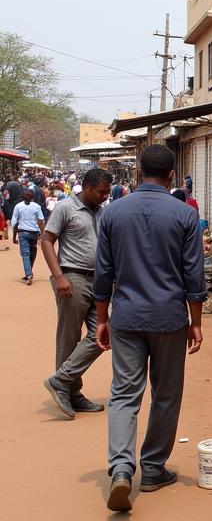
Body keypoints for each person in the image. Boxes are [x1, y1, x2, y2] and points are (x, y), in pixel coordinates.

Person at [94, 144, 206, 512]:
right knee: (166, 394)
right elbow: (193, 274)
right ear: (173, 174)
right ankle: (154, 469)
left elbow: (103, 273)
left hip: (126, 317)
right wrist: (197, 322)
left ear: (139, 170)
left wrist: (102, 318)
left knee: (124, 395)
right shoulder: (184, 214)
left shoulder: (112, 213)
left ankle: (122, 470)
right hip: (169, 319)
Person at [39, 168, 113, 419]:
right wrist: (59, 276)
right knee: (69, 338)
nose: (105, 196)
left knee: (101, 334)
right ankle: (71, 392)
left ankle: (62, 381)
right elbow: (46, 240)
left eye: (107, 192)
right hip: (72, 277)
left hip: (99, 281)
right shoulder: (65, 208)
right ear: (88, 188)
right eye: (102, 192)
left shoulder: (103, 212)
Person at [11, 186, 46, 284]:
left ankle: (29, 274)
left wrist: (14, 237)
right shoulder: (37, 206)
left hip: (23, 233)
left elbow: (14, 223)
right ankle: (29, 273)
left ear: (23, 197)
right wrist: (42, 233)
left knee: (25, 254)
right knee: (32, 253)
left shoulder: (18, 206)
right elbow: (41, 221)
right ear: (32, 197)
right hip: (34, 233)